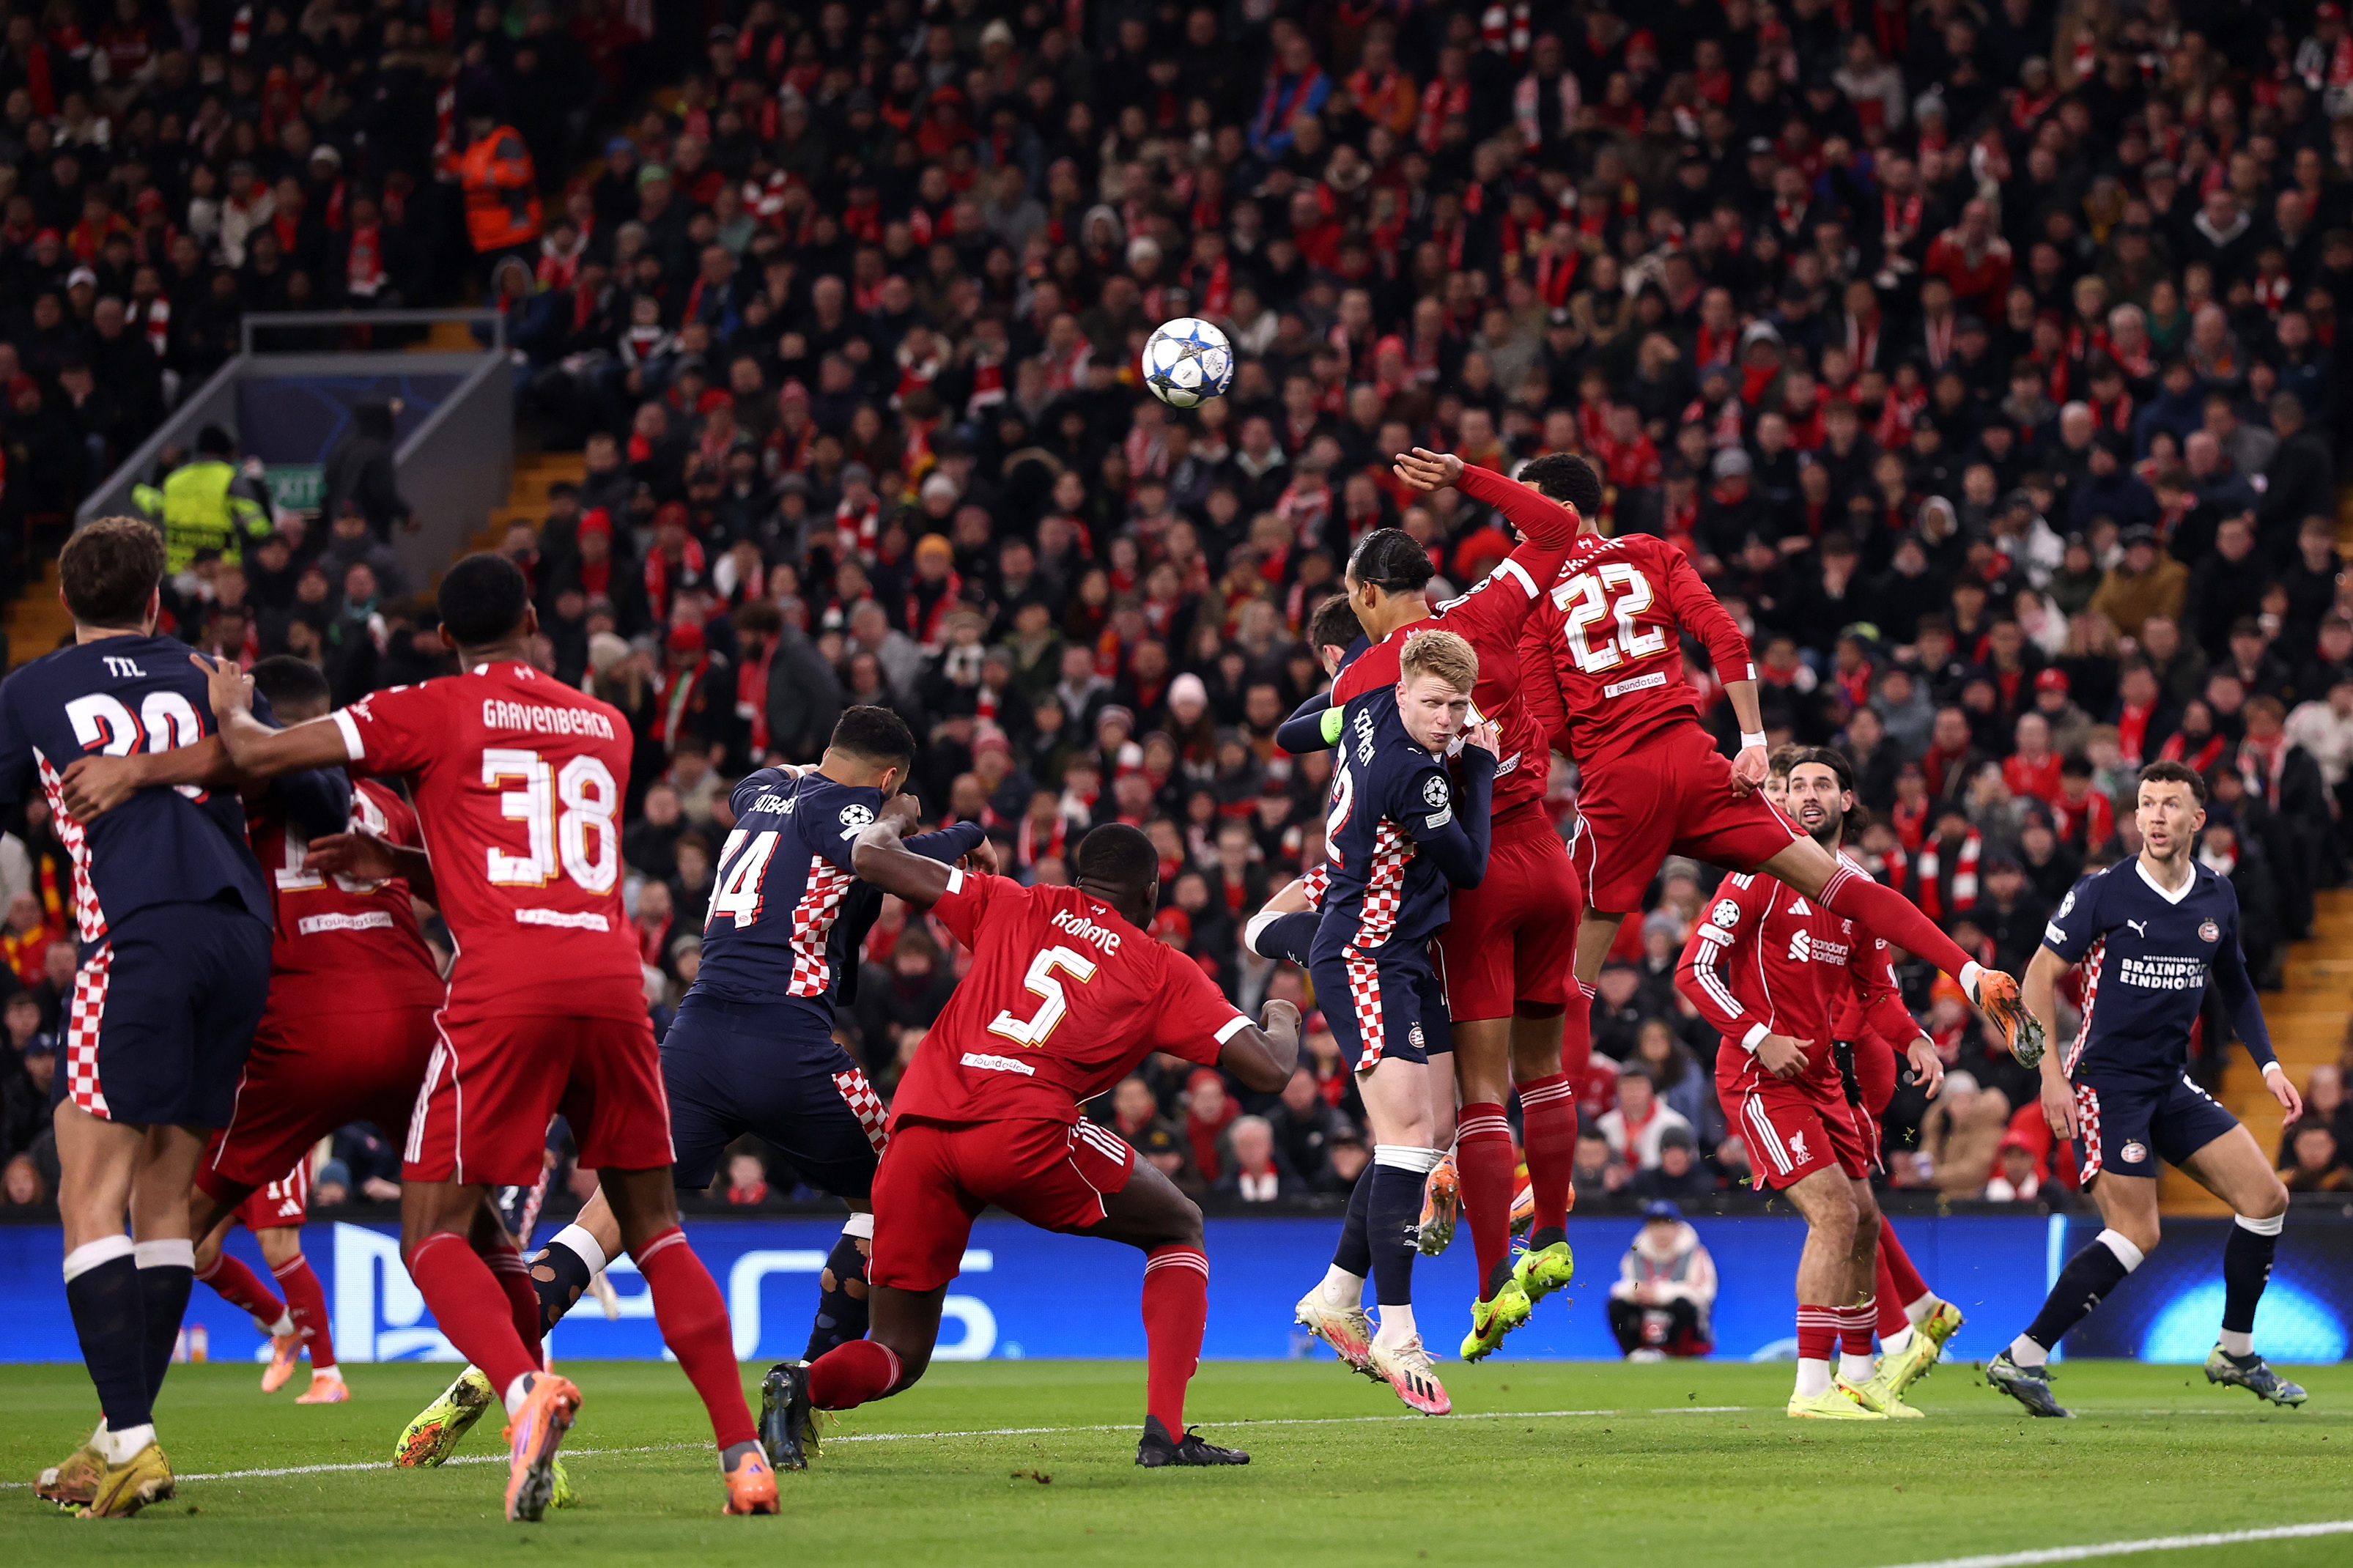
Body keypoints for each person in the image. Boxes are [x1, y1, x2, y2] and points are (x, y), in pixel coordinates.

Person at [188, 553, 777, 1518]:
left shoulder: (427, 707)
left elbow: (264, 756)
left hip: (505, 989)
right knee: (656, 1229)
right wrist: (399, 859)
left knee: (432, 1235)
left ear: (442, 637)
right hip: (611, 985)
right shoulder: (607, 724)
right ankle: (742, 1458)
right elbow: (528, 858)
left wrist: (228, 706)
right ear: (534, 620)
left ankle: (522, 1390)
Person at [405, 705, 991, 1464]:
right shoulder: (852, 810)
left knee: (604, 1221)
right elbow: (877, 856)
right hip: (787, 1040)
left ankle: (493, 1373)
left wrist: (851, 794)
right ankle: (805, 1389)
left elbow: (781, 788)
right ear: (886, 779)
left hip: (693, 1041)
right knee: (891, 1196)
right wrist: (959, 832)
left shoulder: (759, 793)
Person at [759, 821, 1300, 1469]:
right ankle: (1165, 1434)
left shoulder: (1012, 900)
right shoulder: (1161, 969)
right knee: (1178, 1226)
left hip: (919, 1133)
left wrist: (908, 818)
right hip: (1021, 1130)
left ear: (1080, 879)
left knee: (899, 1351)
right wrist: (1283, 1013)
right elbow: (1270, 1069)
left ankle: (801, 1383)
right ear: (1151, 894)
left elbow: (872, 857)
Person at [1514, 469, 2040, 1064]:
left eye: (1521, 509)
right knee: (1842, 885)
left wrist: (1606, 743)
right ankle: (1971, 974)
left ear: (1560, 509)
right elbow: (1725, 636)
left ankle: (1531, 1119)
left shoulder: (1532, 592)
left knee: (1567, 979)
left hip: (1620, 782)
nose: (1514, 527)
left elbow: (1548, 723)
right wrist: (1752, 739)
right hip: (1696, 762)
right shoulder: (1650, 552)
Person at [1280, 449, 1591, 1363]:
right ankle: (1552, 1232)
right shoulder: (1485, 612)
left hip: (1471, 875)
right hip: (1550, 858)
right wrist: (1464, 476)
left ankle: (1492, 1285)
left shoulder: (1368, 675)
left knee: (1471, 1099)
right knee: (1546, 1072)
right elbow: (1559, 525)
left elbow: (1304, 734)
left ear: (1367, 594)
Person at [5, 517, 277, 1515]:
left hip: (137, 933)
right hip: (242, 935)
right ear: (158, 600)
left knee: (89, 1187)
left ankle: (128, 1435)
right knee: (165, 1197)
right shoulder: (213, 673)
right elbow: (290, 769)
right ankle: (121, 1434)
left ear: (65, 601)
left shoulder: (31, 688)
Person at [1990, 761, 2305, 1418]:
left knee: (2266, 1198)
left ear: (2197, 819)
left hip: (2169, 1082)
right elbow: (2038, 976)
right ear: (2134, 817)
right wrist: (2050, 1076)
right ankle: (2023, 1355)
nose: (2156, 816)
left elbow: (2235, 984)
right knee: (2136, 1231)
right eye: (2146, 804)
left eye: (2170, 804)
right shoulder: (2101, 892)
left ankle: (2235, 1351)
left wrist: (2270, 1066)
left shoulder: (2216, 894)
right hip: (2105, 1084)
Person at [1676, 747, 1948, 1419]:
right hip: (1760, 1074)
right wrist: (1758, 1037)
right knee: (1833, 1214)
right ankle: (1809, 1386)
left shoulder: (1857, 890)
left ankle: (1858, 1375)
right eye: (1795, 785)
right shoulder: (1756, 873)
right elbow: (1692, 970)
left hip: (1822, 1076)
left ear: (1846, 801)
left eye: (1821, 785)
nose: (1806, 795)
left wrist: (1913, 1037)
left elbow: (1876, 989)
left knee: (1863, 1218)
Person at [1292, 629, 1495, 1415]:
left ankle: (1338, 1292)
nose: (1447, 719)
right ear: (1405, 689)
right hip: (1366, 955)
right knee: (1407, 1140)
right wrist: (1480, 766)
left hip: (1403, 952)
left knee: (1428, 1132)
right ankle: (1398, 1330)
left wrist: (1335, 715)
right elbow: (1468, 867)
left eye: (1458, 706)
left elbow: (1292, 733)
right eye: (1434, 703)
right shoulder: (1415, 772)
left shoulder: (1366, 704)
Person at [131, 425, 271, 573]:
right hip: (223, 573)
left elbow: (152, 504)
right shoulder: (231, 481)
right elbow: (260, 529)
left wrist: (137, 487)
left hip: (180, 574)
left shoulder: (174, 480)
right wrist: (258, 486)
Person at [1606, 1201, 1717, 1359]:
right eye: (1655, 1225)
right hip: (1646, 1311)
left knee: (1684, 1306)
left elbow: (1703, 1293)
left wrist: (1660, 1294)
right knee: (1616, 1305)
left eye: (1667, 1224)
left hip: (1679, 1314)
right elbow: (1626, 1284)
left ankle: (1681, 1355)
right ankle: (1634, 1355)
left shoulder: (1695, 1254)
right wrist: (1636, 1291)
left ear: (1677, 1227)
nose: (1661, 1231)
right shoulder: (1635, 1254)